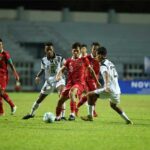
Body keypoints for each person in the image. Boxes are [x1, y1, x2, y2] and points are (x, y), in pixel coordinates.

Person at [81, 47, 133, 124]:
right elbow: (115, 75)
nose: (96, 57)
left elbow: (106, 75)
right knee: (113, 106)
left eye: (97, 55)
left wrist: (107, 86)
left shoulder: (103, 65)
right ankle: (127, 120)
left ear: (101, 55)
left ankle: (90, 116)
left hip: (110, 89)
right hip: (117, 91)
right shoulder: (110, 63)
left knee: (89, 95)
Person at [55, 42, 100, 121]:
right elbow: (62, 69)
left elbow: (91, 71)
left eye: (77, 51)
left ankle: (72, 114)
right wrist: (58, 75)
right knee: (60, 101)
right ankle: (57, 117)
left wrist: (97, 81)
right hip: (69, 84)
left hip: (80, 84)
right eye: (74, 50)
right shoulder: (69, 61)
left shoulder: (84, 59)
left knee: (72, 92)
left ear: (79, 51)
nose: (75, 52)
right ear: (72, 51)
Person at [22, 42, 66, 120]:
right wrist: (37, 76)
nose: (49, 51)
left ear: (53, 50)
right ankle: (31, 113)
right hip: (49, 81)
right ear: (45, 50)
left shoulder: (59, 57)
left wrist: (61, 73)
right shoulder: (44, 60)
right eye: (47, 49)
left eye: (50, 49)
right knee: (40, 98)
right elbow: (42, 69)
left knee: (61, 95)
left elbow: (66, 65)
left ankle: (62, 116)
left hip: (59, 79)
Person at [76, 42, 100, 117]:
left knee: (89, 96)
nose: (95, 51)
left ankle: (77, 107)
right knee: (95, 94)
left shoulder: (99, 59)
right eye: (94, 49)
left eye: (97, 49)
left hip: (94, 79)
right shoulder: (87, 58)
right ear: (91, 49)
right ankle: (93, 111)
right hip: (88, 79)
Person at [0, 38, 20, 116]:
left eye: (0, 44)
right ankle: (1, 112)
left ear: (2, 45)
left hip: (3, 76)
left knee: (1, 92)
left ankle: (13, 105)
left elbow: (11, 65)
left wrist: (16, 74)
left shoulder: (5, 54)